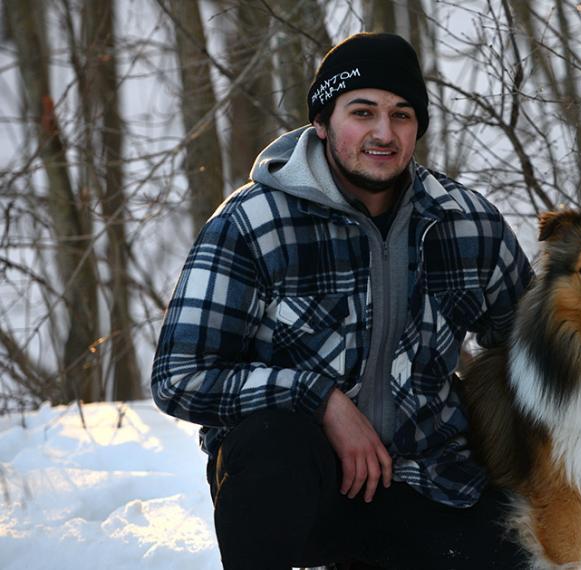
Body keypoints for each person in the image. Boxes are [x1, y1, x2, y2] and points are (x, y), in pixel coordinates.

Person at [151, 32, 533, 569]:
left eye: (402, 115)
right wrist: (319, 399)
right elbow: (180, 376)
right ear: (323, 122)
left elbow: (537, 345)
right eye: (362, 112)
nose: (384, 132)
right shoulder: (254, 222)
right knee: (272, 439)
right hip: (300, 491)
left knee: (522, 554)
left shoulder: (465, 222)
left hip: (430, 479)